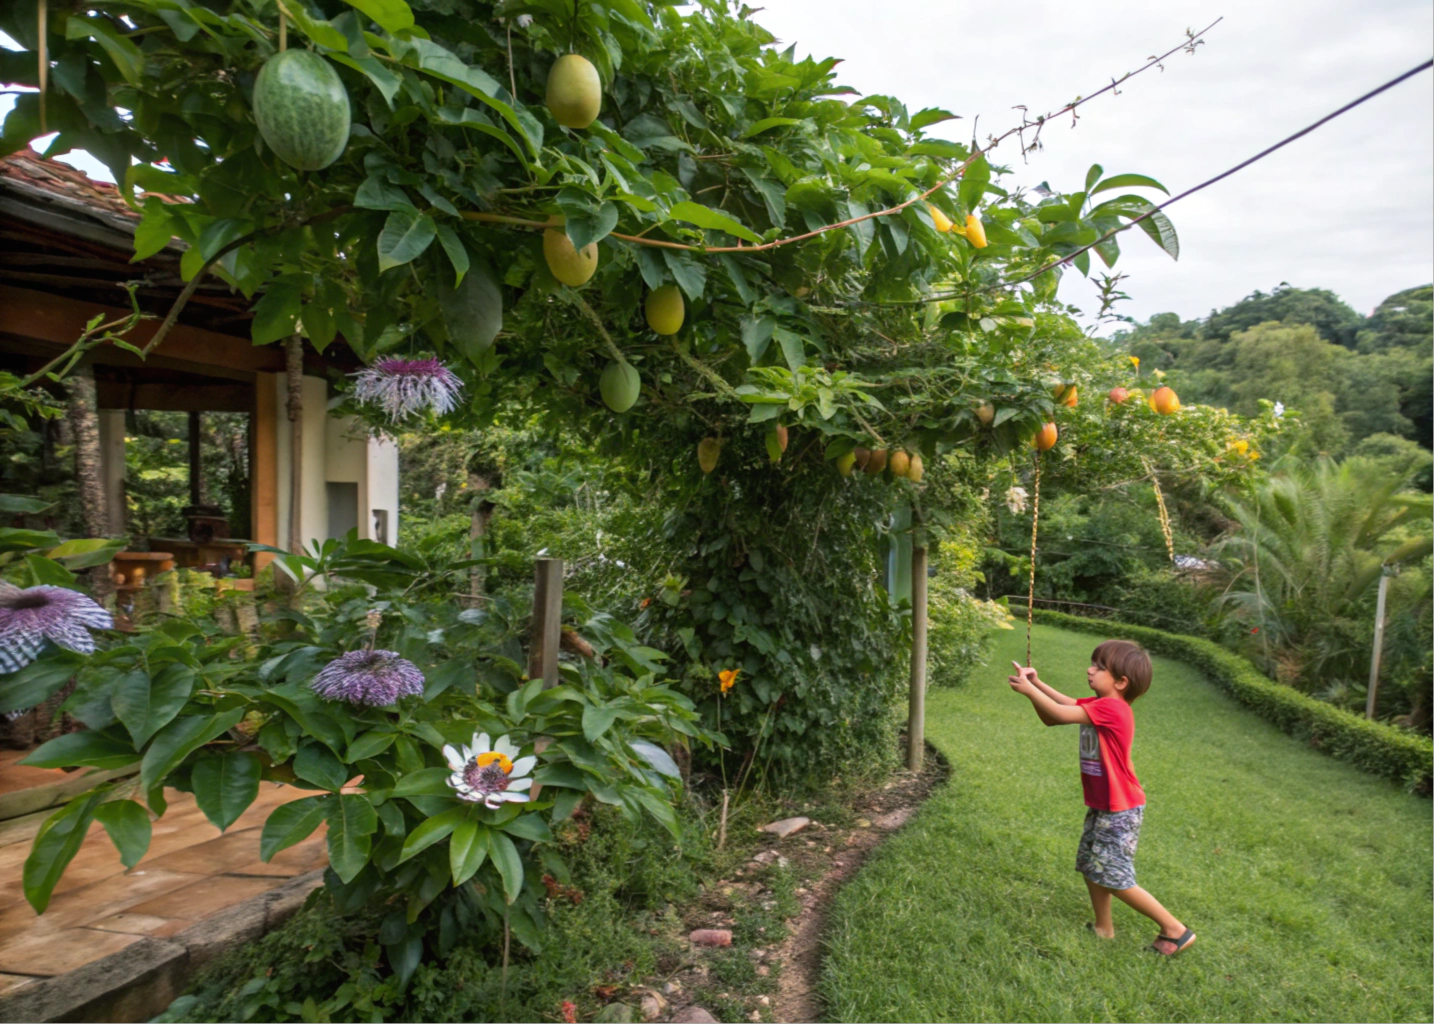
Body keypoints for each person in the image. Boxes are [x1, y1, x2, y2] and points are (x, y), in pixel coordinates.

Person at [1007, 640, 1196, 956]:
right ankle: (1103, 928)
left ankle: (1175, 930)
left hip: (1121, 807)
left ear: (1121, 682)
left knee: (1112, 873)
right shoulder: (1099, 704)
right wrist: (1037, 684)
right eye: (1092, 663)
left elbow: (1060, 713)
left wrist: (1029, 691)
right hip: (1105, 803)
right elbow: (1059, 711)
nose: (1089, 669)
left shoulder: (1113, 708)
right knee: (1091, 864)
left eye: (1099, 667)